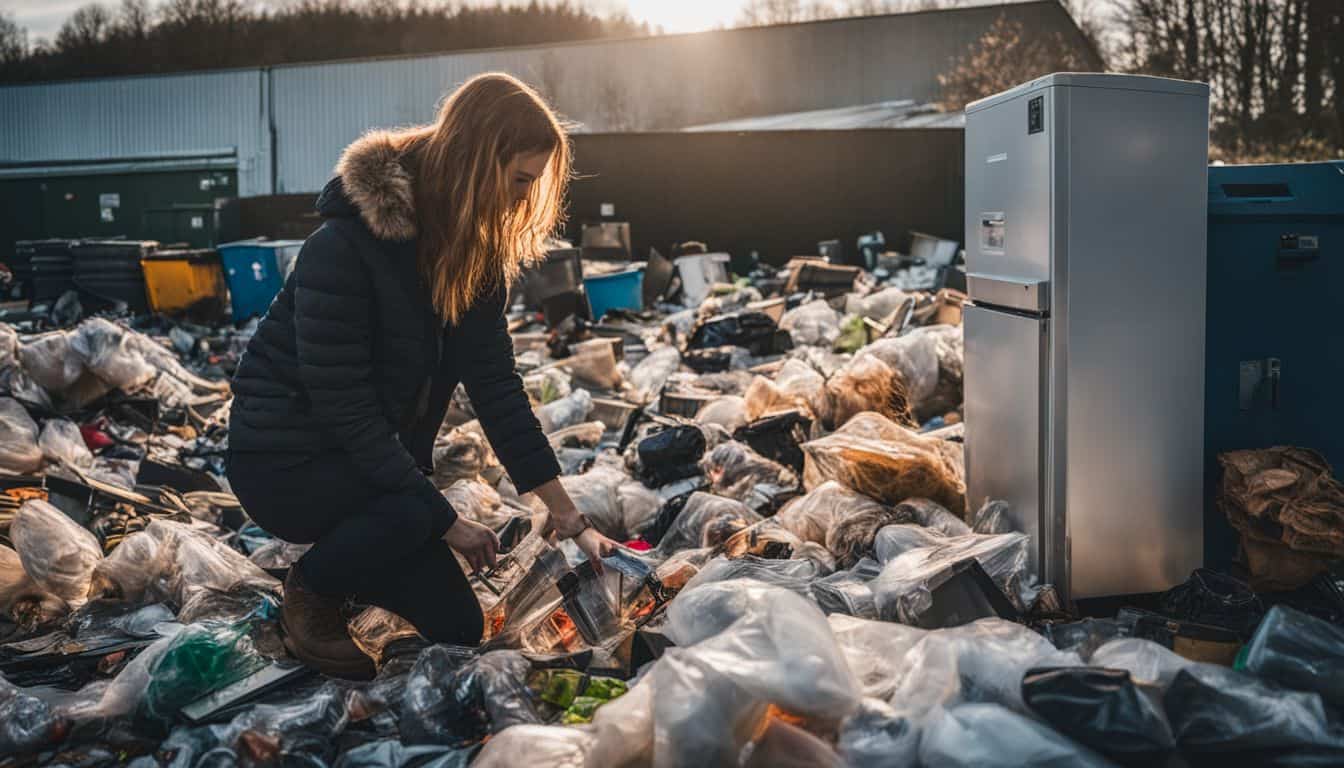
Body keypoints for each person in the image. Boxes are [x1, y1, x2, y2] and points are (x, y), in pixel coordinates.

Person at [226, 72, 616, 679]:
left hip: (369, 470)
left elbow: (497, 388)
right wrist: (443, 519)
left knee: (456, 628)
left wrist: (567, 513)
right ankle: (309, 587)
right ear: (473, 163)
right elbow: (345, 407)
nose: (521, 200)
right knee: (414, 512)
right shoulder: (344, 247)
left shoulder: (472, 258)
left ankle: (360, 566)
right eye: (518, 181)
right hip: (285, 462)